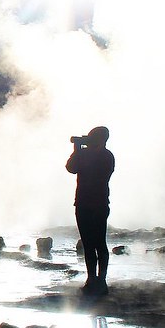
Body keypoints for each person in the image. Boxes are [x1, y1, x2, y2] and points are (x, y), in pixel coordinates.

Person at [66, 126, 115, 296]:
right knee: (88, 244)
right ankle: (92, 279)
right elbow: (71, 168)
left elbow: (89, 170)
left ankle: (101, 280)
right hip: (84, 203)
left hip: (97, 204)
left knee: (99, 243)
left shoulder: (105, 156)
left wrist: (80, 151)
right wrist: (78, 151)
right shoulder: (89, 154)